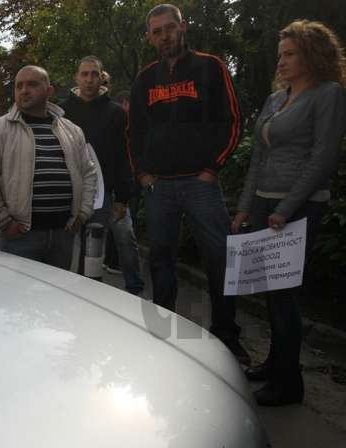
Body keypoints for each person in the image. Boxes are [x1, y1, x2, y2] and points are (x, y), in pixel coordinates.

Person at [231, 20, 346, 406]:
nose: (281, 61)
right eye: (280, 54)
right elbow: (259, 158)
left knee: (284, 295)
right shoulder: (276, 99)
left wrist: (285, 208)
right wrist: (246, 206)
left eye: (290, 54)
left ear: (312, 55)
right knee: (270, 291)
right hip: (266, 204)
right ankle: (275, 363)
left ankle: (289, 383)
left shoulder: (328, 93)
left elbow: (323, 157)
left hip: (299, 208)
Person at [127, 4, 249, 363]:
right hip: (159, 187)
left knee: (220, 259)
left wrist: (213, 167)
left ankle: (226, 336)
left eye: (170, 28)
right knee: (161, 260)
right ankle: (163, 334)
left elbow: (232, 120)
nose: (165, 36)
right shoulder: (145, 79)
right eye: (157, 31)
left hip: (200, 183)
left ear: (183, 27)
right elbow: (134, 132)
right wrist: (142, 174)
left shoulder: (211, 67)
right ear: (149, 37)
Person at [0, 65, 98, 269]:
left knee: (56, 290)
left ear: (49, 91)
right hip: (19, 238)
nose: (24, 90)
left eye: (32, 84)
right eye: (19, 86)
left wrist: (82, 214)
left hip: (63, 235)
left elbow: (89, 173)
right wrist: (4, 222)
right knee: (17, 290)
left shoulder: (72, 131)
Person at [61, 56, 145, 295]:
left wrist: (123, 198)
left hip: (104, 194)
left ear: (101, 77)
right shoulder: (62, 111)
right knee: (70, 248)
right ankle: (71, 297)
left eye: (94, 74)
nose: (89, 79)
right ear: (77, 77)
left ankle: (125, 293)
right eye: (84, 74)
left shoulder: (117, 113)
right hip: (69, 193)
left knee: (109, 246)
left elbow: (125, 156)